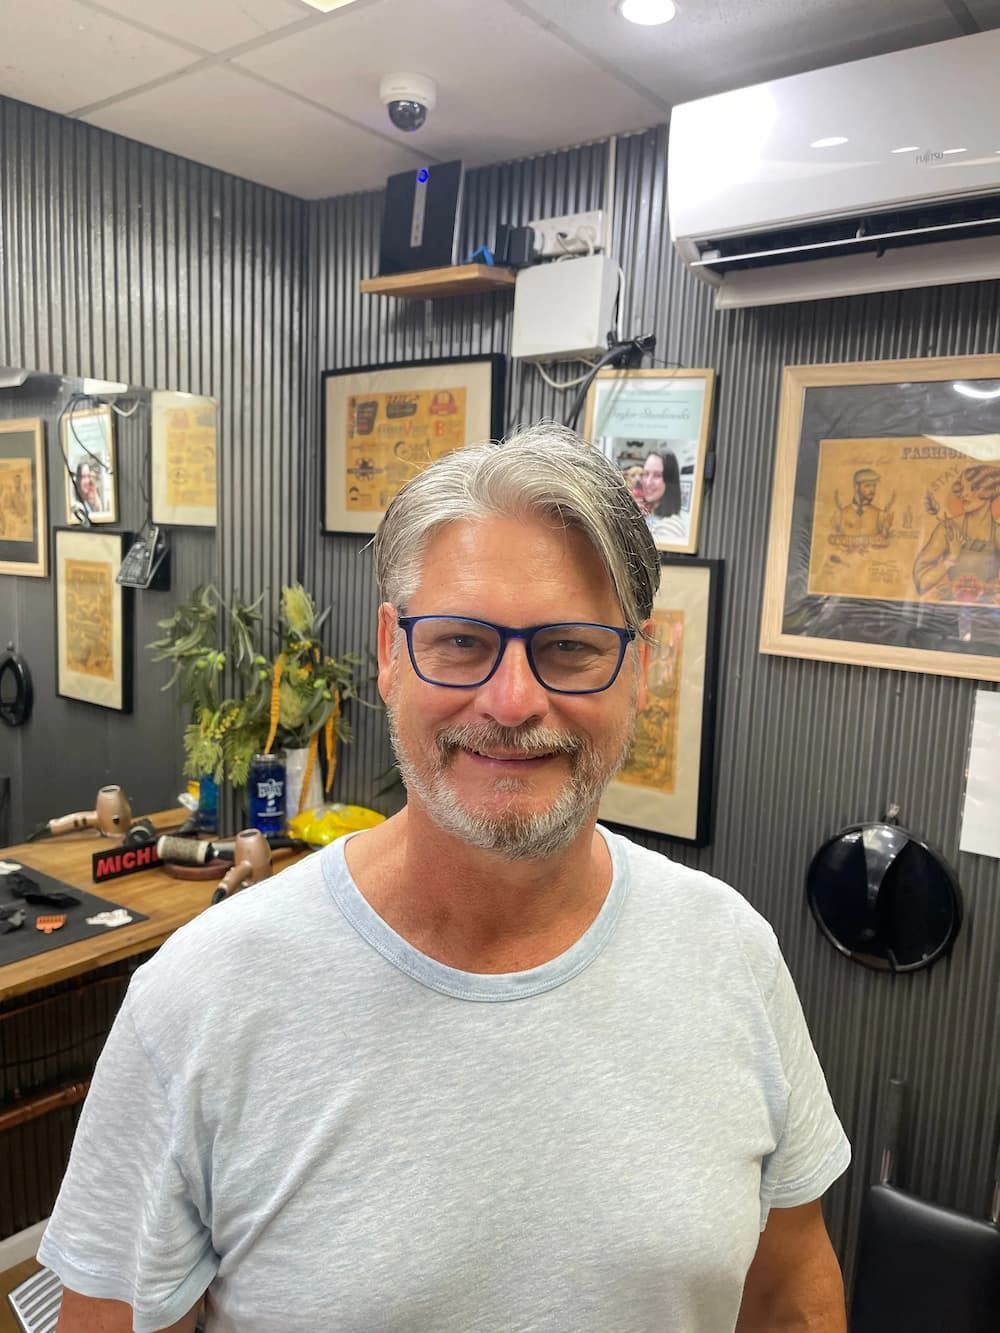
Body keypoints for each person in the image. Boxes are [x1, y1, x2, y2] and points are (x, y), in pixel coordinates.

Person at [42, 425, 850, 1333]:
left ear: (641, 669)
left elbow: (788, 1295)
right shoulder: (200, 999)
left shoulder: (729, 951)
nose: (511, 702)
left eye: (572, 647)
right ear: (390, 652)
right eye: (462, 641)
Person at [912, 463, 1000, 599]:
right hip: (949, 610)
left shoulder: (997, 533)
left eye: (974, 488)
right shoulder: (948, 528)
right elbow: (922, 583)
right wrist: (952, 557)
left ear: (990, 491)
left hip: (986, 611)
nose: (963, 494)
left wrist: (985, 587)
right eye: (962, 488)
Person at [640, 448, 687, 544]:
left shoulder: (670, 527)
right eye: (646, 474)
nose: (648, 482)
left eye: (657, 475)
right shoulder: (651, 515)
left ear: (669, 481)